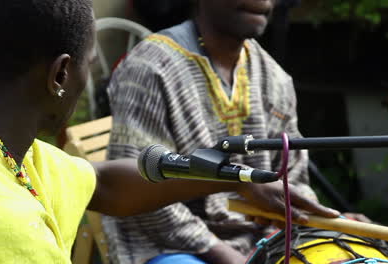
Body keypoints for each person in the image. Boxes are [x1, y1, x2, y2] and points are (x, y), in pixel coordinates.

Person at [0, 1, 339, 263]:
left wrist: (234, 180)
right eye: (91, 64)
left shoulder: (11, 153)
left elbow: (106, 184)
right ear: (61, 75)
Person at [104, 0, 340, 264]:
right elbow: (139, 195)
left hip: (261, 239)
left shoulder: (275, 77)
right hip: (169, 246)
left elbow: (293, 177)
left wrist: (324, 223)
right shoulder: (148, 68)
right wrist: (226, 255)